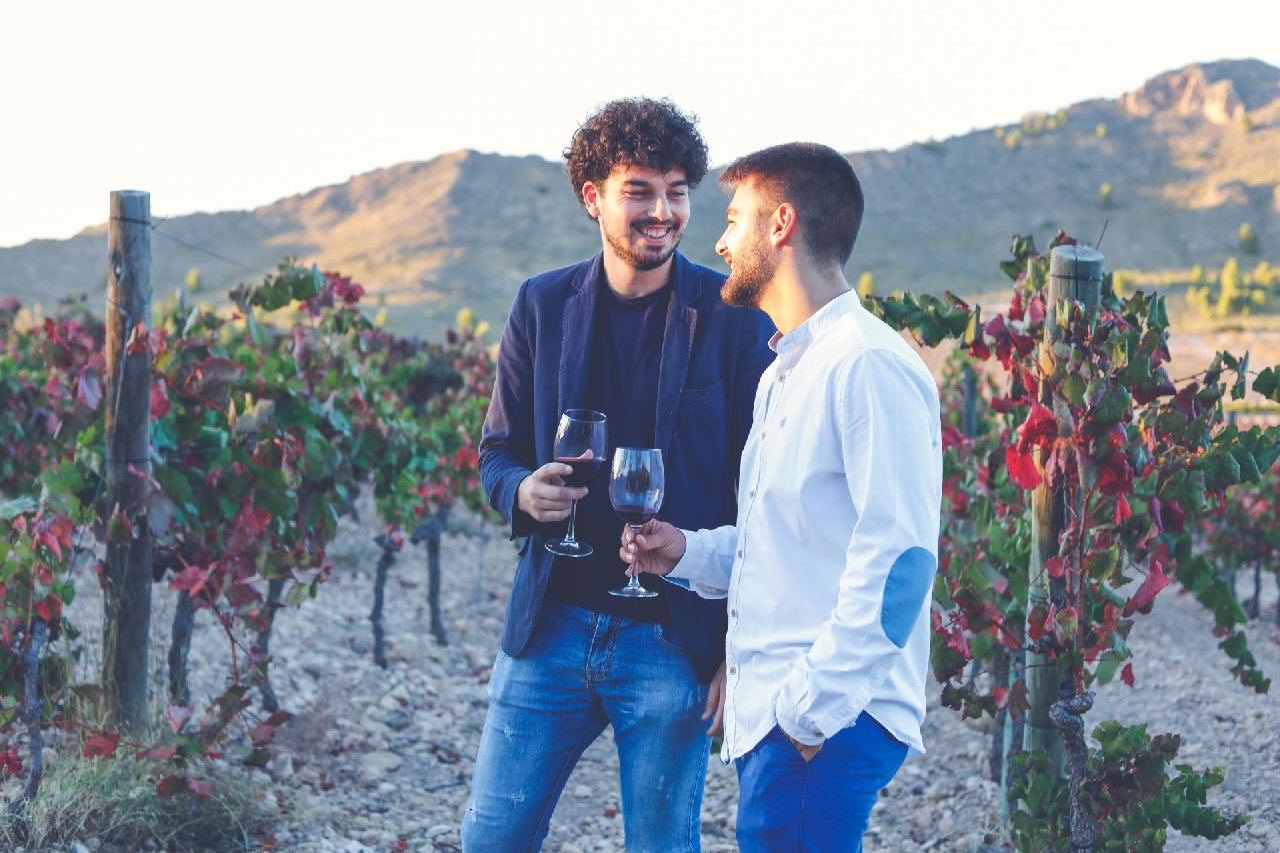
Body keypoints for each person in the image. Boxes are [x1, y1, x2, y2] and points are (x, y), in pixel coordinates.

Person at [463, 98, 775, 852]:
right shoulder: (541, 304)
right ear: (592, 197)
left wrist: (743, 649)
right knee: (490, 839)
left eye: (676, 191)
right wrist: (522, 491)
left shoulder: (733, 315)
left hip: (671, 638)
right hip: (552, 624)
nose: (662, 212)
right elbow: (496, 454)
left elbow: (766, 497)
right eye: (639, 191)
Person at [621, 142, 942, 852]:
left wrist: (806, 714)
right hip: (788, 719)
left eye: (735, 217)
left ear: (781, 223)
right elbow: (780, 544)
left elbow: (903, 564)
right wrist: (686, 553)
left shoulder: (868, 364)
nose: (721, 239)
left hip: (821, 720)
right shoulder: (786, 371)